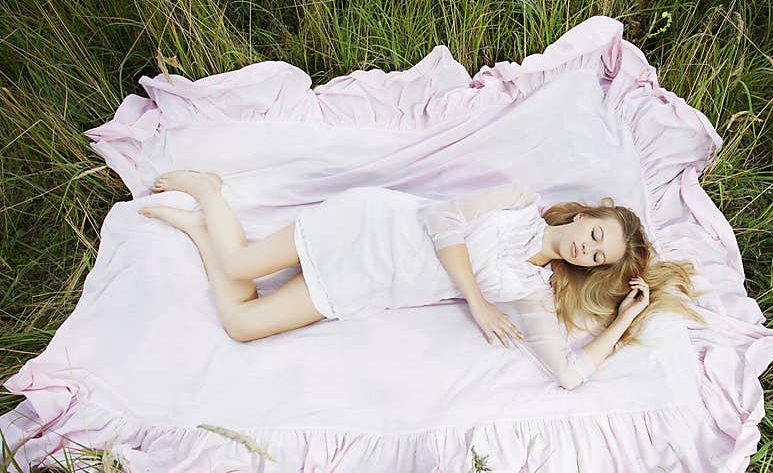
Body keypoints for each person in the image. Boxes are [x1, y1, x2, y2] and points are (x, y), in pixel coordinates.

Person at [139, 170, 707, 389]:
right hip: (366, 224)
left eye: (596, 257)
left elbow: (570, 374)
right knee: (241, 267)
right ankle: (210, 192)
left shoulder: (530, 291)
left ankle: (197, 228)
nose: (587, 249)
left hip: (369, 282)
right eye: (596, 234)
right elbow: (442, 218)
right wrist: (477, 302)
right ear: (584, 216)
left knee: (241, 323)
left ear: (589, 268)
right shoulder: (519, 202)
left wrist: (626, 318)